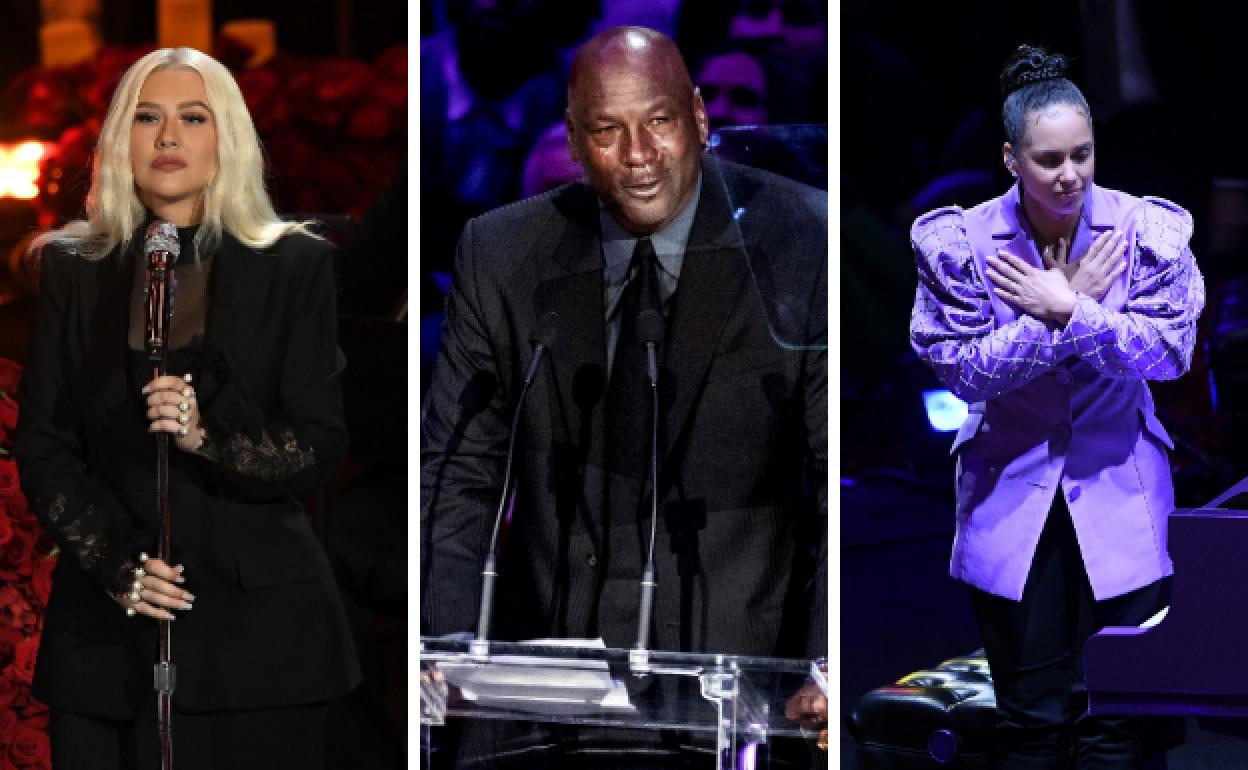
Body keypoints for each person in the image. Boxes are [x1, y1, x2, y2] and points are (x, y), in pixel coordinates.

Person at [421, 24, 826, 766]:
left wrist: (823, 661)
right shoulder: (501, 253)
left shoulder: (800, 240)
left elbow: (830, 478)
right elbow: (457, 478)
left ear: (699, 119)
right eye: (608, 131)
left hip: (736, 697)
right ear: (574, 142)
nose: (639, 156)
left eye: (660, 122)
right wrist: (444, 652)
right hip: (541, 701)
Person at [14, 47, 359, 770]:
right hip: (106, 640)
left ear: (224, 137)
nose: (168, 137)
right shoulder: (72, 271)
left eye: (192, 117)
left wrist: (210, 435)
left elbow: (321, 442)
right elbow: (45, 445)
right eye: (148, 117)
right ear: (121, 141)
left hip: (261, 642)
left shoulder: (295, 264)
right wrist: (116, 565)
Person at [909, 45, 1205, 768]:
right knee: (1033, 724)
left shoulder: (1149, 231)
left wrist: (1072, 309)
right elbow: (965, 374)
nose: (1070, 175)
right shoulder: (959, 242)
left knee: (1119, 722)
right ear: (1012, 159)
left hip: (1123, 495)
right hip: (1012, 499)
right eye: (1049, 160)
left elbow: (1169, 356)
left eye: (1083, 154)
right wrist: (1043, 324)